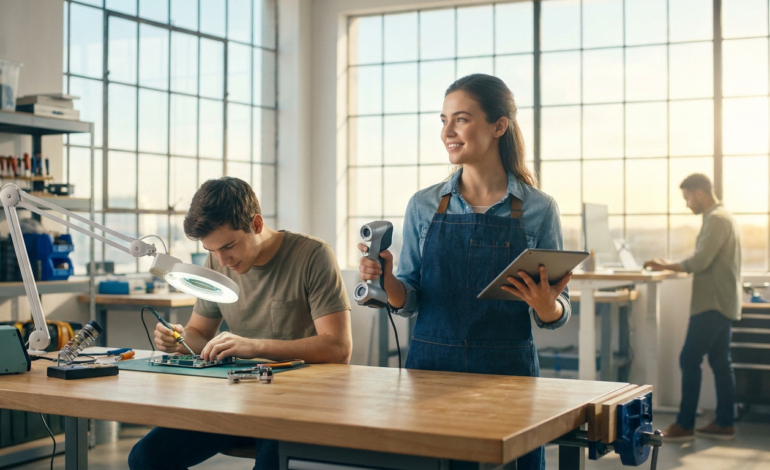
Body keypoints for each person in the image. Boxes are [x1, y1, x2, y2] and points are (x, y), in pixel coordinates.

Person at [358, 74, 572, 470]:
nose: (447, 132)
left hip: (508, 374)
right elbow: (409, 299)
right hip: (431, 372)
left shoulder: (540, 208)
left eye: (460, 119)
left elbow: (558, 311)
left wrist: (548, 307)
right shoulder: (423, 204)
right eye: (443, 120)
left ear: (498, 126)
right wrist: (387, 280)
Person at [129, 177, 352, 470]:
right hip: (238, 399)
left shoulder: (313, 256)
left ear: (256, 224)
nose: (221, 261)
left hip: (299, 404)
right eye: (212, 251)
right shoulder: (218, 263)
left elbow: (338, 348)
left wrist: (255, 346)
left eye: (228, 247)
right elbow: (199, 335)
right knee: (146, 458)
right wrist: (179, 339)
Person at [644, 173, 741, 442]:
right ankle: (724, 423)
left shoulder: (716, 220)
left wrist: (665, 265)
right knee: (721, 362)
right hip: (722, 301)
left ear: (699, 193)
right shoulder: (724, 217)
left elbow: (700, 261)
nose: (687, 203)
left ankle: (685, 424)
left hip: (712, 303)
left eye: (687, 196)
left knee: (689, 359)